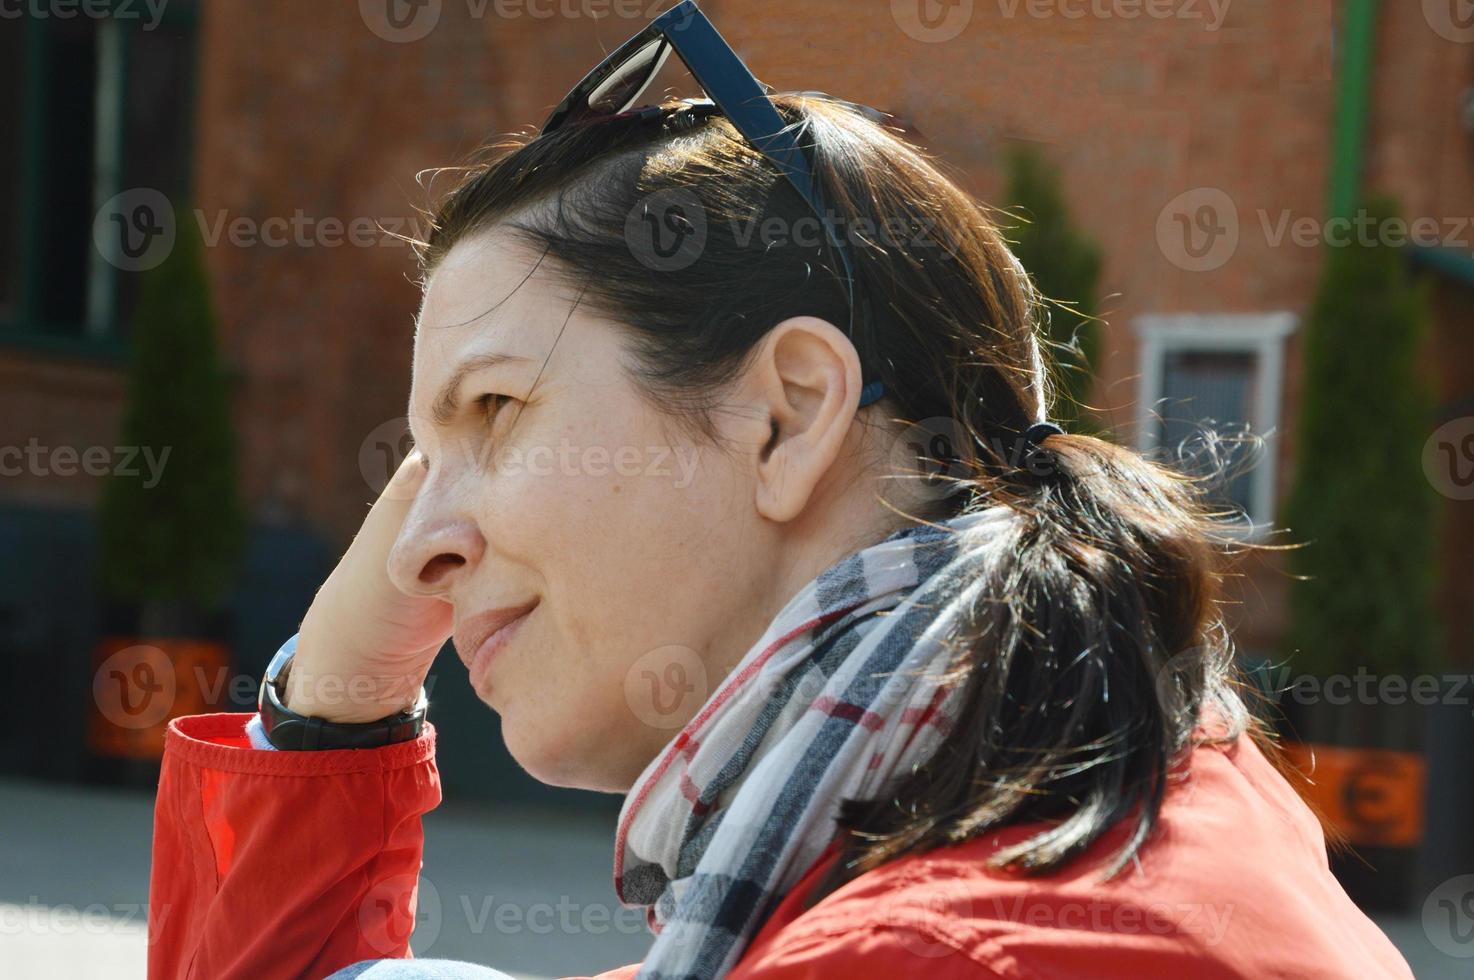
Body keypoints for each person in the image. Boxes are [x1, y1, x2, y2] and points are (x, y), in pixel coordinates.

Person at [147, 5, 1413, 978]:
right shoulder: (1077, 797)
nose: (413, 545)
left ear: (787, 413)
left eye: (493, 412)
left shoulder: (931, 949)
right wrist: (335, 706)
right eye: (419, 458)